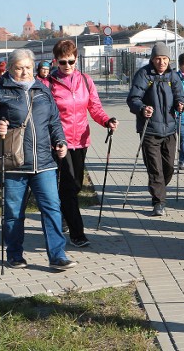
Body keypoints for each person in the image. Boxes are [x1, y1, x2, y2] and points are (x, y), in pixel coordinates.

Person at [0, 48, 76, 271]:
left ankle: (57, 255)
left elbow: (54, 121)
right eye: (19, 68)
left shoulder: (43, 89)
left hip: (44, 162)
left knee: (52, 208)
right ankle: (14, 255)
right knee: (13, 212)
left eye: (28, 68)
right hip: (12, 161)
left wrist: (60, 141)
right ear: (10, 68)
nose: (24, 72)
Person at [49, 39, 118, 248]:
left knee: (76, 185)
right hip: (59, 142)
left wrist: (107, 120)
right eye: (63, 62)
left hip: (81, 140)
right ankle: (77, 233)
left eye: (71, 61)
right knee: (69, 187)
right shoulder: (48, 83)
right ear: (55, 61)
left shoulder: (86, 81)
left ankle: (63, 214)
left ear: (76, 59)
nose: (67, 66)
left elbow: (94, 107)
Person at [126, 42, 184, 217]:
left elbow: (179, 95)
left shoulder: (172, 76)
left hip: (169, 129)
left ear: (169, 60)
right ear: (152, 59)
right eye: (158, 59)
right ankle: (158, 202)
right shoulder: (144, 75)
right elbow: (133, 99)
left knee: (168, 168)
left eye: (165, 59)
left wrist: (180, 104)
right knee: (155, 168)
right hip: (149, 129)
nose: (161, 62)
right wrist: (143, 108)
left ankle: (157, 188)